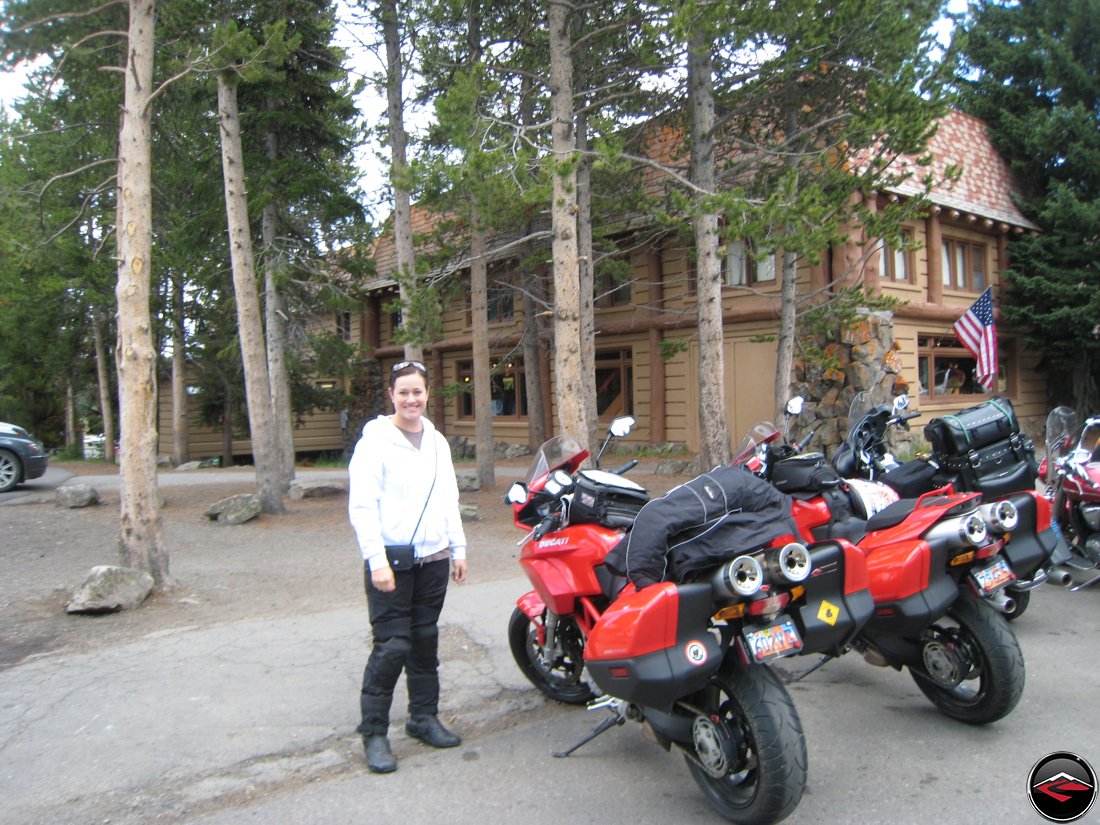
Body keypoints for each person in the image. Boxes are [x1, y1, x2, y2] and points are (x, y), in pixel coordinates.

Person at [347, 359, 469, 774]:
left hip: (433, 560)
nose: (411, 399)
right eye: (404, 392)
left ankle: (423, 718)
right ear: (391, 395)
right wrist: (376, 560)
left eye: (418, 391)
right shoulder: (375, 442)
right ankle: (375, 732)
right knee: (393, 645)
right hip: (391, 562)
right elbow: (362, 506)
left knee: (424, 640)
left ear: (428, 393)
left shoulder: (437, 442)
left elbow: (448, 497)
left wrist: (459, 548)